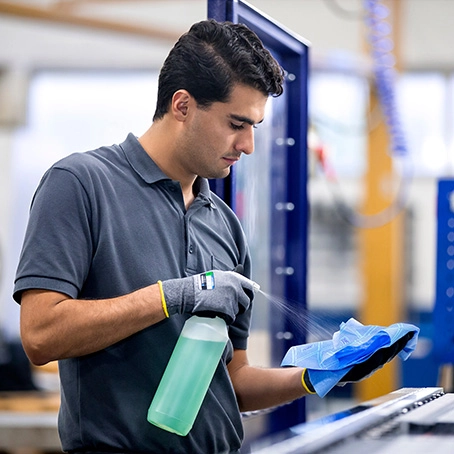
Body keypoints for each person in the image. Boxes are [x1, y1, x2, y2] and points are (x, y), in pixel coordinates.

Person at [13, 19, 309, 453]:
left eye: (254, 128)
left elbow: (232, 382)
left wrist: (313, 378)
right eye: (235, 123)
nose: (247, 145)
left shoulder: (224, 224)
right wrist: (174, 295)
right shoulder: (80, 183)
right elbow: (39, 335)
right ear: (183, 106)